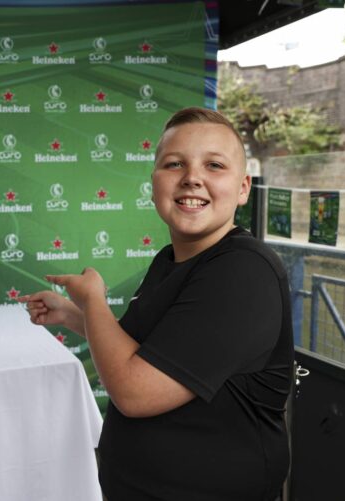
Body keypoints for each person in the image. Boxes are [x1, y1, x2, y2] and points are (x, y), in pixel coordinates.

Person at [19, 107, 294, 501]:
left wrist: (93, 298)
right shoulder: (171, 260)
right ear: (154, 183)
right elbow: (143, 349)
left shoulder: (242, 270)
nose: (192, 178)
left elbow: (135, 391)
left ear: (243, 187)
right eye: (174, 164)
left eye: (214, 165)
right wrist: (73, 315)